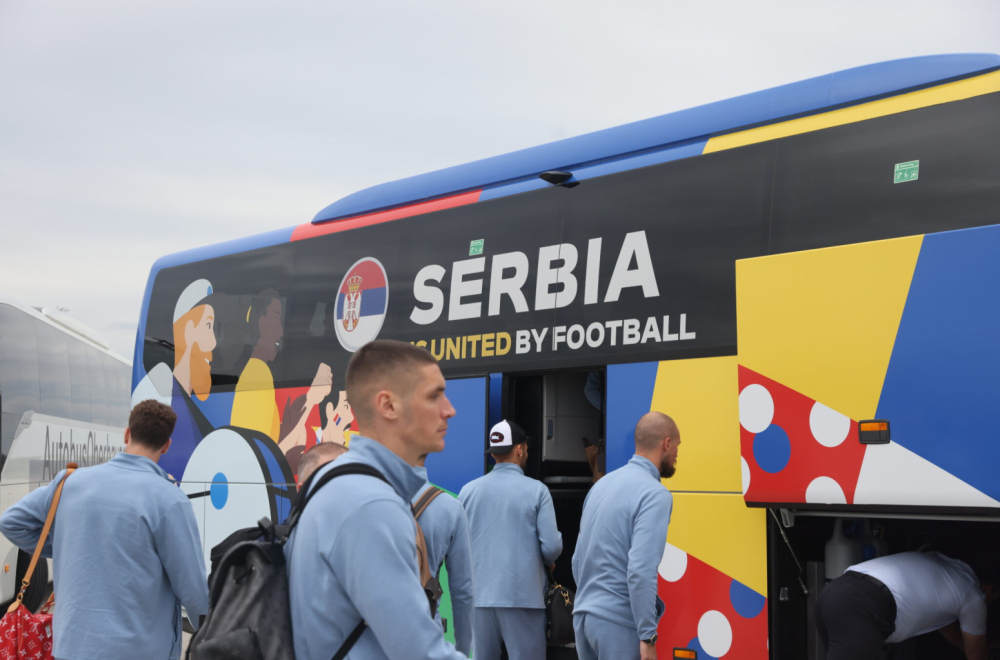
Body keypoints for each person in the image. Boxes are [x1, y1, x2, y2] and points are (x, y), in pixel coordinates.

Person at [285, 340, 468, 660]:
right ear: (388, 405)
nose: (449, 409)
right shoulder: (373, 505)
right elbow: (419, 652)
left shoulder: (339, 481)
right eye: (433, 395)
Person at [0, 399, 209, 660]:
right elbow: (194, 590)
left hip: (71, 648)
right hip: (140, 651)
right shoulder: (170, 500)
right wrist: (214, 639)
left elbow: (11, 522)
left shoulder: (69, 482)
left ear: (127, 434)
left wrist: (67, 545)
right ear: (166, 446)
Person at [572, 411, 680, 660]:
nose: (676, 455)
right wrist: (648, 636)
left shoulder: (601, 485)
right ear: (666, 443)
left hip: (584, 619)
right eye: (677, 446)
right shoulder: (655, 494)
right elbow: (641, 570)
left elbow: (578, 561)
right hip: (618, 625)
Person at [458, 419, 563, 660]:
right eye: (526, 447)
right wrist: (548, 559)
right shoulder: (537, 490)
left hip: (478, 598)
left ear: (493, 452)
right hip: (522, 598)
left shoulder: (467, 491)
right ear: (519, 449)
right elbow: (552, 546)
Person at [815, 551, 991, 660]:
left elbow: (945, 625)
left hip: (835, 591)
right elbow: (975, 654)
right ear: (987, 588)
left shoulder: (942, 568)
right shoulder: (973, 596)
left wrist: (966, 646)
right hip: (863, 604)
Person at [412, 454, 475, 656]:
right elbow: (463, 592)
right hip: (427, 639)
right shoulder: (450, 507)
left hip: (374, 639)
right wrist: (463, 650)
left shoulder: (365, 499)